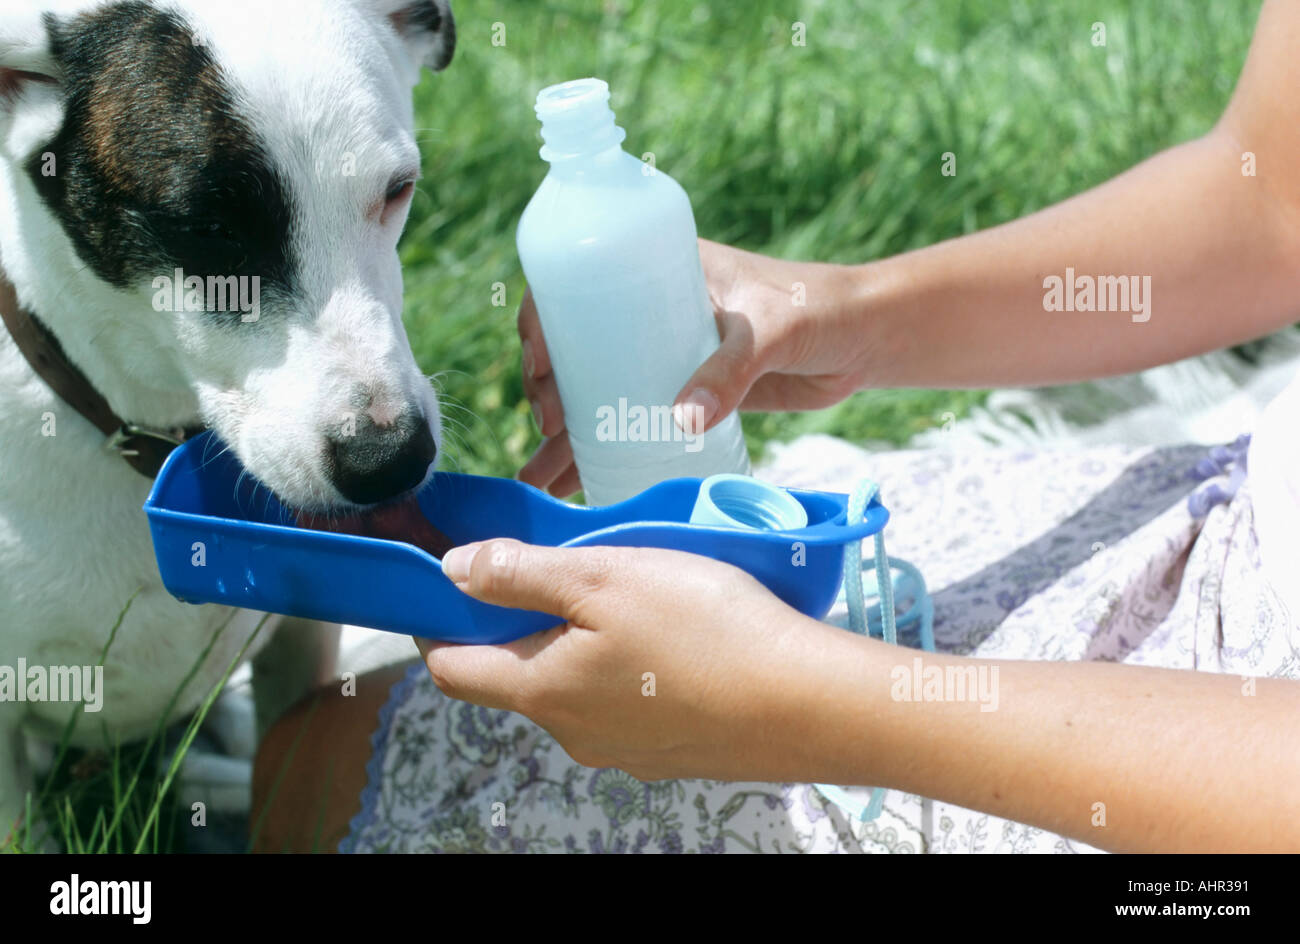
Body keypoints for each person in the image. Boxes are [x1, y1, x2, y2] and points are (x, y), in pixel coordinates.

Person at [253, 0, 1300, 853]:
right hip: (1229, 528)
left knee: (326, 795)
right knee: (317, 751)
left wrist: (817, 704)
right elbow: (1276, 203)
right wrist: (852, 314)